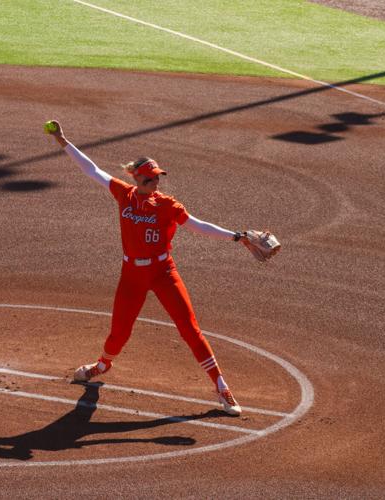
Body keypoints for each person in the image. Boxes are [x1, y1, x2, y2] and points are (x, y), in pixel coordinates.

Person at [45, 120, 267, 416]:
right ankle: (102, 365)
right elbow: (91, 170)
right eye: (150, 179)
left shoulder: (167, 205)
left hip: (163, 272)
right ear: (137, 178)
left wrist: (236, 236)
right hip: (132, 276)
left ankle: (221, 387)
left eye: (157, 178)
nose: (155, 183)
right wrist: (62, 140)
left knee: (190, 329)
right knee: (118, 334)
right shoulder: (124, 194)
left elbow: (197, 225)